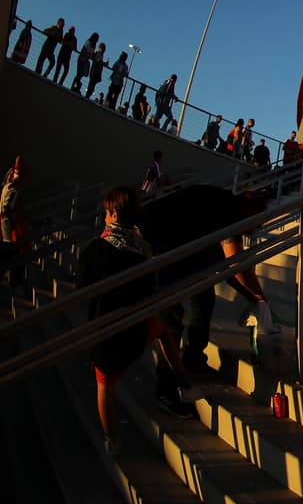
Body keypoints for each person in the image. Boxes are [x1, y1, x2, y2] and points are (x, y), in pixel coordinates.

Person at [78, 186, 195, 452]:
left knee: (105, 386)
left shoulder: (95, 249)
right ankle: (181, 376)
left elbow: (82, 287)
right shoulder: (142, 249)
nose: (105, 216)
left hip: (103, 333)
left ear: (114, 214)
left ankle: (111, 438)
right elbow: (149, 290)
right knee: (165, 329)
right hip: (133, 332)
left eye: (107, 212)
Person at [139, 185, 272, 410]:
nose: (253, 231)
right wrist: (259, 297)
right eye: (256, 224)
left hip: (179, 242)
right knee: (171, 318)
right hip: (161, 244)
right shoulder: (229, 211)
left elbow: (228, 270)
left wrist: (252, 296)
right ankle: (167, 389)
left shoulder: (219, 206)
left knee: (203, 294)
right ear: (251, 213)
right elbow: (237, 263)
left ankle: (192, 357)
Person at [1, 156, 28, 286]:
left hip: (4, 226)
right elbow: (6, 210)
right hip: (8, 227)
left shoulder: (7, 186)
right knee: (12, 253)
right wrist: (17, 218)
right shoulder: (13, 191)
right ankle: (12, 280)